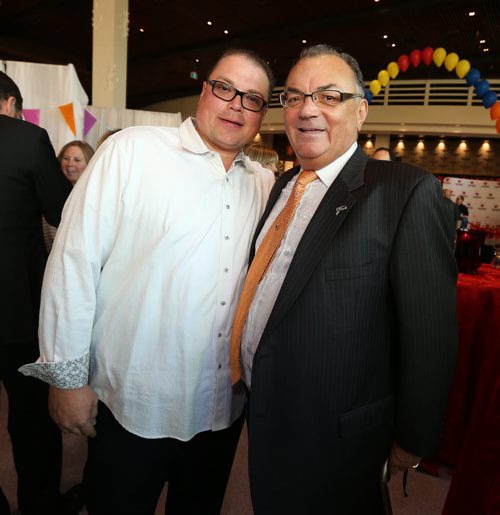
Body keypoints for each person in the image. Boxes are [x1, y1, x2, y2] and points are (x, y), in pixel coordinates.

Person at [20, 48, 275, 515]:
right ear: (204, 91)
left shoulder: (261, 183)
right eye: (225, 88)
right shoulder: (132, 151)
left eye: (253, 98)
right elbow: (73, 262)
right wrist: (66, 378)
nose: (237, 104)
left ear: (262, 113)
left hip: (220, 411)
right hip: (133, 404)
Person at [230, 44, 458, 514]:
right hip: (267, 415)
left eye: (328, 97)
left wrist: (413, 438)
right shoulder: (280, 186)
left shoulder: (404, 192)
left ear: (361, 112)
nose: (308, 109)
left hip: (339, 437)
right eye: (294, 97)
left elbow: (430, 334)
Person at [0, 71, 72, 514]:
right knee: (31, 424)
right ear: (9, 103)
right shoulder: (28, 139)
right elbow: (62, 210)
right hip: (19, 310)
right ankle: (39, 506)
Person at [43, 140, 95, 252]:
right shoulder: (49, 193)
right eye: (66, 158)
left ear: (89, 164)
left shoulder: (95, 196)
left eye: (77, 160)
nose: (70, 164)